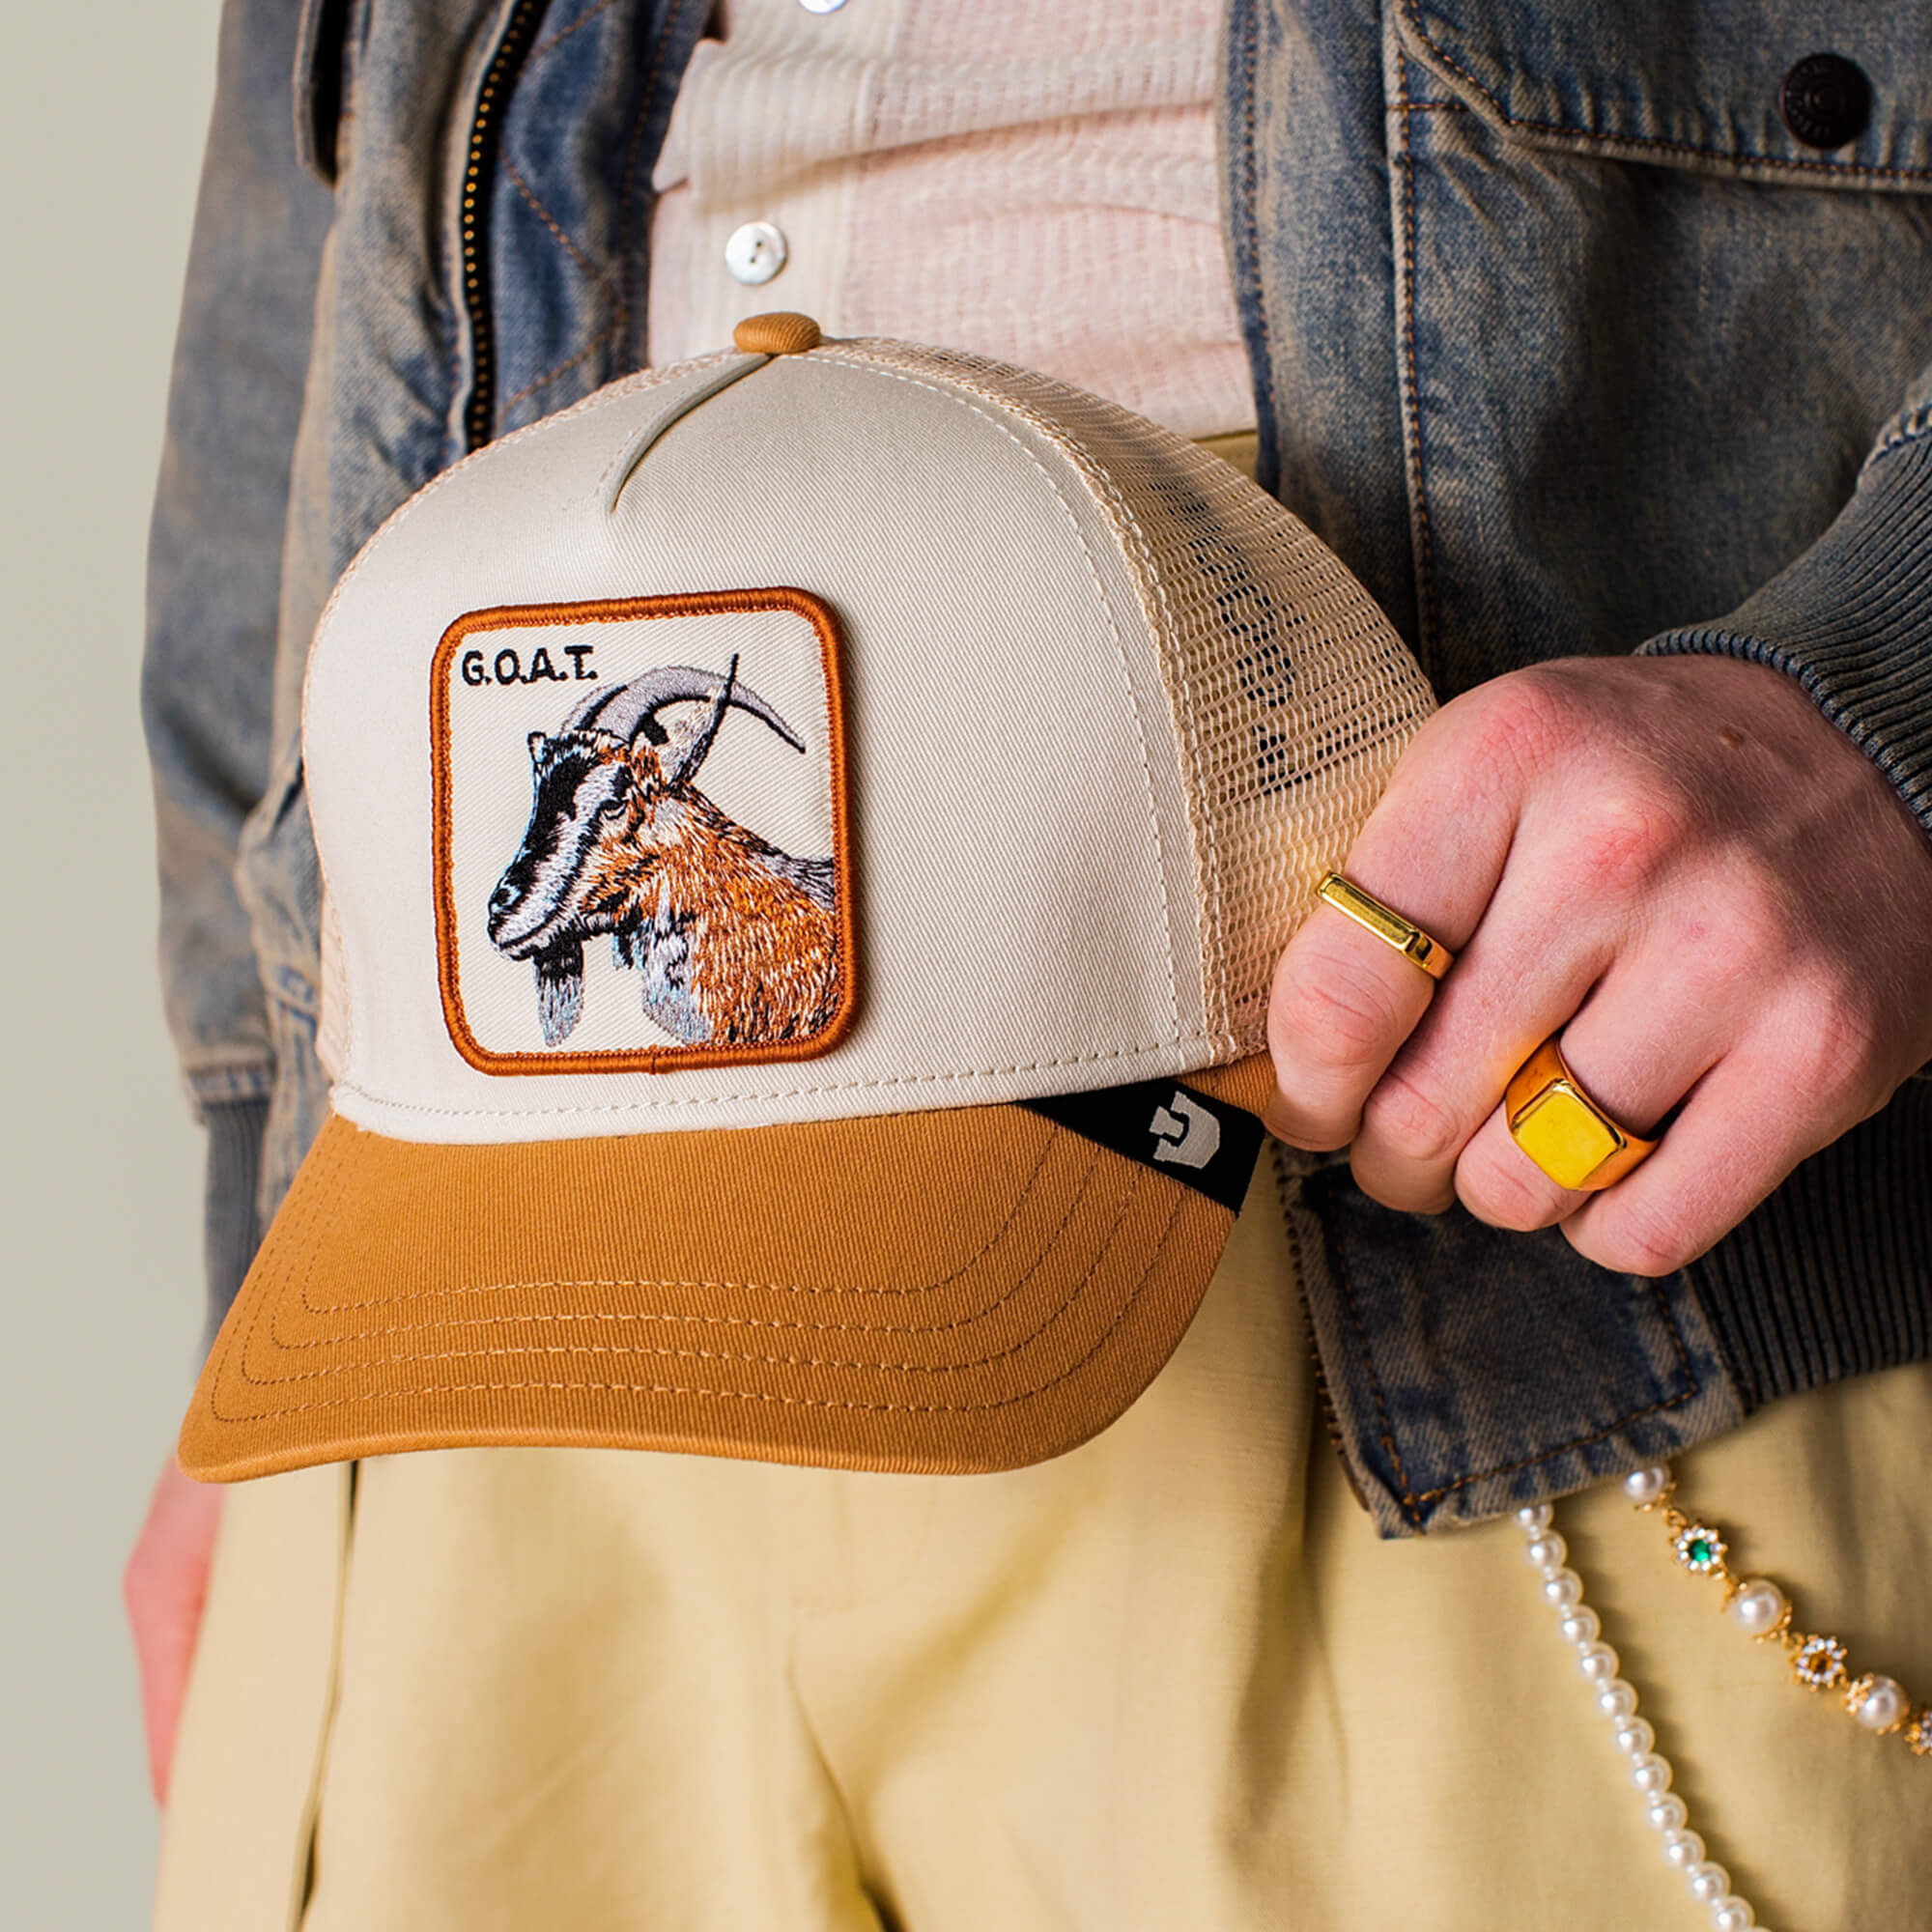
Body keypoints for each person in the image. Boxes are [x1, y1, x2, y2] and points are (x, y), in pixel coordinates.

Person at [131, 1, 1932, 1924]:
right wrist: (258, 1253)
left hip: (1465, 1072)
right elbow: (285, 270)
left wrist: (1884, 699)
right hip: (466, 1198)